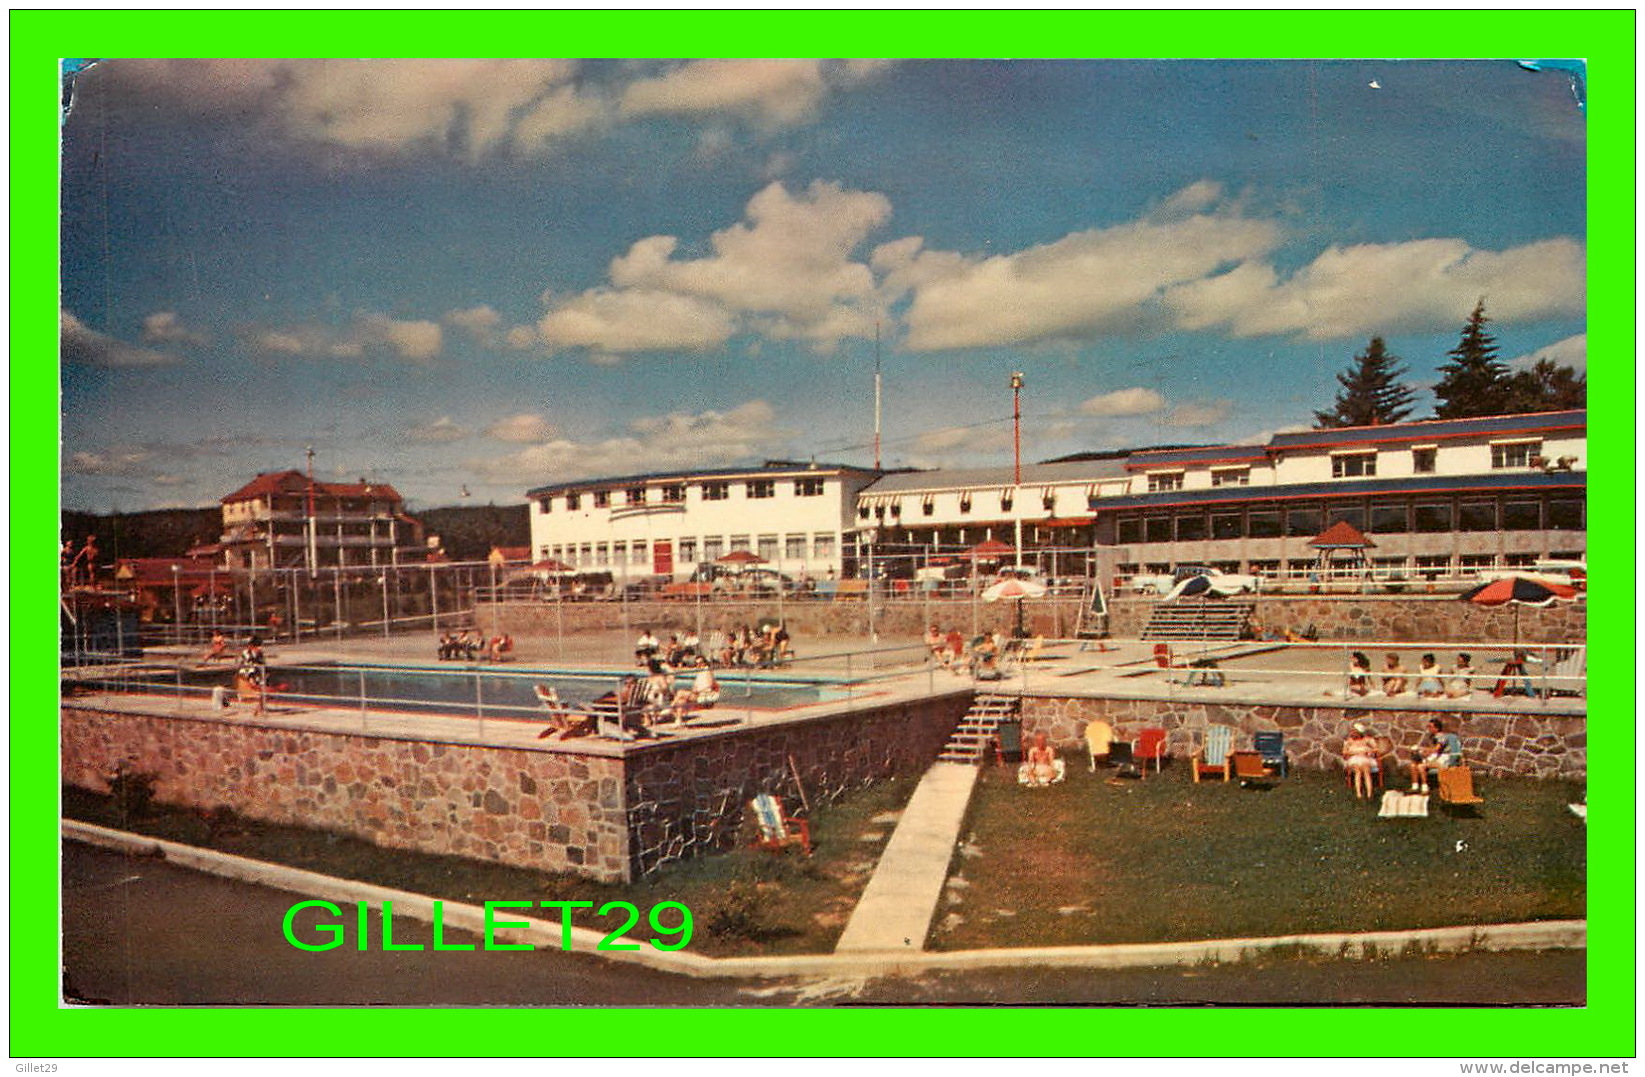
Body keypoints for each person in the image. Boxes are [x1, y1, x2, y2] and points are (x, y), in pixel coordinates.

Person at [1407, 717, 1463, 794]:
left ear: (1437, 728)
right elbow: (1432, 751)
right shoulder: (1433, 737)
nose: (1428, 728)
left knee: (1421, 766)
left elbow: (1436, 749)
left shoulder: (1442, 737)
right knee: (1413, 765)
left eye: (1430, 727)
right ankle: (1415, 786)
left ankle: (1425, 788)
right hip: (1435, 757)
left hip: (1444, 759)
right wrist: (1421, 753)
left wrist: (1420, 748)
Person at [1342, 722, 1379, 799]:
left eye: (1355, 732)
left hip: (1365, 758)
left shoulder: (1367, 739)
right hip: (1354, 759)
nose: (1352, 733)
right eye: (1352, 732)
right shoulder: (1349, 741)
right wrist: (1354, 752)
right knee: (1358, 772)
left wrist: (1369, 751)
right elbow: (1344, 752)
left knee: (1366, 772)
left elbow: (1376, 749)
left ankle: (1369, 793)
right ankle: (1359, 793)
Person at [235, 635, 268, 716]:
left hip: (256, 676)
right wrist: (251, 679)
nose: (260, 648)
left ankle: (259, 708)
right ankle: (258, 708)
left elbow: (262, 665)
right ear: (252, 646)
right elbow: (244, 669)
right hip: (246, 678)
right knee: (260, 688)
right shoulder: (246, 654)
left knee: (264, 685)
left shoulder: (259, 654)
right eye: (258, 646)